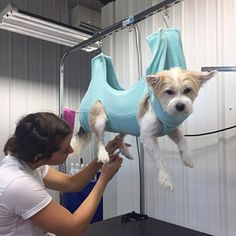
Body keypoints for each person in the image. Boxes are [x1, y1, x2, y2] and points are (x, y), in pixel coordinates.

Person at [0, 112, 124, 236]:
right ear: (40, 156)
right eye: (65, 150)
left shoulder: (28, 161)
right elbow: (74, 228)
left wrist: (102, 157)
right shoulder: (18, 184)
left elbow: (71, 184)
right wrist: (103, 179)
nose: (71, 150)